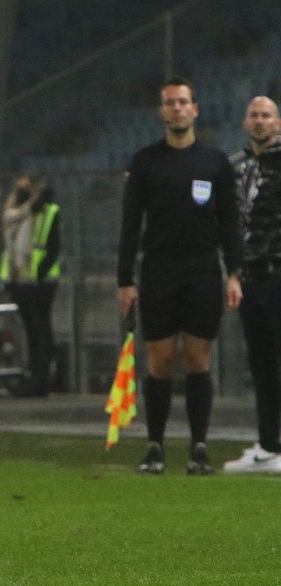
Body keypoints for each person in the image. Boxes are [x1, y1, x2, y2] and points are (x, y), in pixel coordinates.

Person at [117, 75, 243, 475]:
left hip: (203, 268)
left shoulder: (215, 163)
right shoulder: (144, 162)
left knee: (197, 359)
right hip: (158, 268)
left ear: (195, 109)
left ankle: (199, 447)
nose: (176, 108)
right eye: (169, 103)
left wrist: (235, 273)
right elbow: (130, 223)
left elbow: (230, 224)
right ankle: (154, 446)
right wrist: (125, 279)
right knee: (160, 361)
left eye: (183, 102)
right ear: (161, 112)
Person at [224, 96, 281, 473]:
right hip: (247, 277)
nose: (260, 121)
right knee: (260, 361)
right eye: (254, 115)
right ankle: (268, 444)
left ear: (278, 122)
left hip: (279, 271)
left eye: (267, 115)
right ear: (245, 122)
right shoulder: (233, 165)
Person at [0, 173, 61, 397]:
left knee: (40, 330)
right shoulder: (13, 214)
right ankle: (35, 376)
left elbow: (52, 247)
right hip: (20, 280)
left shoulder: (47, 211)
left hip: (39, 281)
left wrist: (40, 273)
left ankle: (41, 377)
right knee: (32, 331)